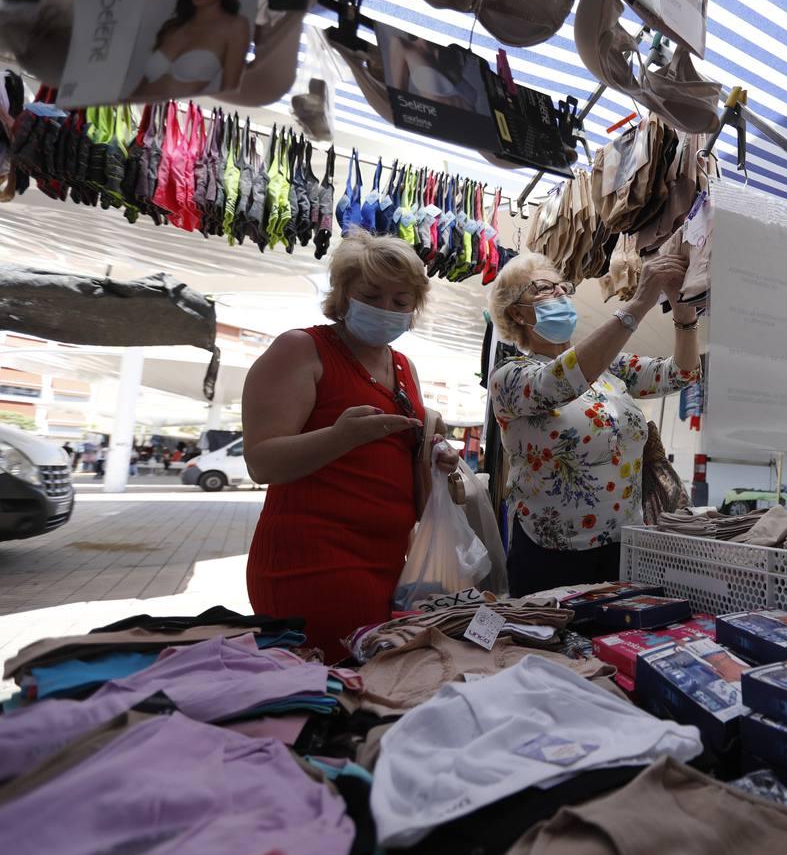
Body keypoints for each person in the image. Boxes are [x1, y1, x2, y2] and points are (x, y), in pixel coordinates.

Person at [242, 231, 457, 660]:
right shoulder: (301, 349)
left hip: (392, 561)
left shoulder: (402, 366)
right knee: (345, 685)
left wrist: (434, 457)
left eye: (400, 301)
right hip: (315, 564)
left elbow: (393, 452)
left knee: (379, 685)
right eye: (372, 296)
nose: (386, 309)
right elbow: (261, 462)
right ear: (343, 295)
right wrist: (341, 438)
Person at [488, 252, 700, 597]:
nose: (559, 294)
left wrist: (684, 316)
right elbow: (559, 382)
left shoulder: (610, 369)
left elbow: (681, 373)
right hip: (551, 555)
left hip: (624, 549)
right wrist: (636, 305)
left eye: (563, 288)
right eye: (543, 288)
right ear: (516, 312)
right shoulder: (510, 378)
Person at [131, 0, 250, 100]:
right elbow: (142, 85)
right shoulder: (173, 28)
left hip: (173, 118)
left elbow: (229, 91)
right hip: (136, 111)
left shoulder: (235, 26)